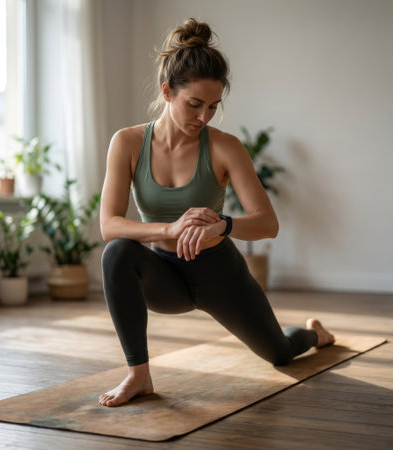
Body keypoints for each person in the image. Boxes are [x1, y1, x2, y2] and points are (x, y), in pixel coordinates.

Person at [98, 18, 335, 408]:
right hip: (165, 276)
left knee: (280, 353)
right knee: (118, 253)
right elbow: (109, 225)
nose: (204, 116)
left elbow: (268, 223)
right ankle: (138, 375)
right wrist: (171, 230)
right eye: (194, 104)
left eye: (213, 106)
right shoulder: (126, 143)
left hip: (218, 273)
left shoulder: (225, 147)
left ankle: (316, 335)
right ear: (167, 92)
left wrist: (223, 224)